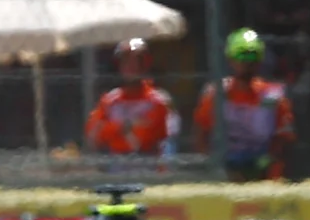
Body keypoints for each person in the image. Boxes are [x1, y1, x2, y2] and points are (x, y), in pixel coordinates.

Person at [192, 29, 297, 181]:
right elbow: (201, 134)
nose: (247, 62)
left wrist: (263, 165)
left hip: (265, 175)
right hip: (225, 174)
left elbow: (284, 140)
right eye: (241, 55)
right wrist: (215, 166)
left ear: (260, 60)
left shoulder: (274, 96)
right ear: (230, 59)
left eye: (253, 56)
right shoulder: (215, 94)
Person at [83, 39, 180, 156]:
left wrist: (113, 130)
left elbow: (145, 141)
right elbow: (93, 137)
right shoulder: (109, 100)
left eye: (137, 61)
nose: (131, 67)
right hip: (116, 169)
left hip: (150, 169)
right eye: (126, 61)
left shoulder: (159, 101)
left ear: (145, 64)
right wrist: (128, 126)